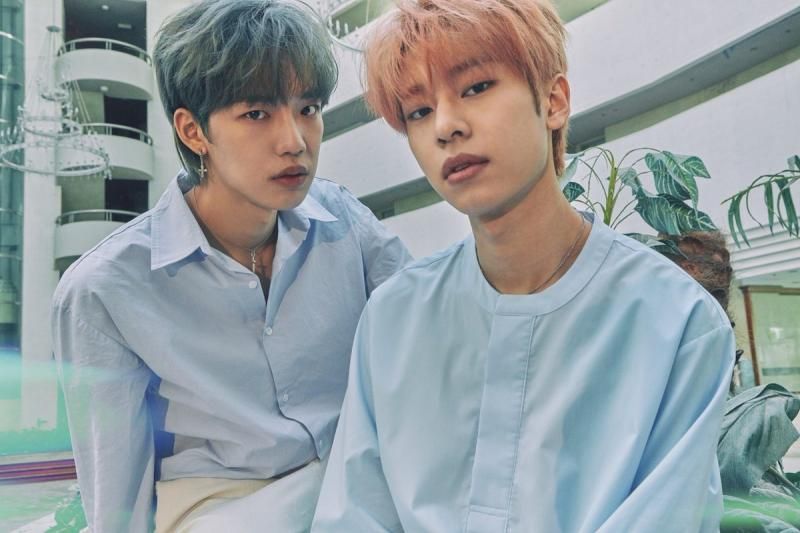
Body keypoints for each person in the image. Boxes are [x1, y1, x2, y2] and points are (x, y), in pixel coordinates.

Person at [311, 0, 734, 531]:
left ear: (554, 101)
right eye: (418, 111)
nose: (445, 126)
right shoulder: (392, 319)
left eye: (476, 87)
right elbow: (354, 515)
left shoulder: (677, 321)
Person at [51, 1, 410, 531]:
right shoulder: (105, 288)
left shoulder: (344, 221)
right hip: (221, 509)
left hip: (356, 489)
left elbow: (426, 333)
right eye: (256, 113)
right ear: (193, 131)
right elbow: (117, 495)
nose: (295, 142)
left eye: (308, 108)